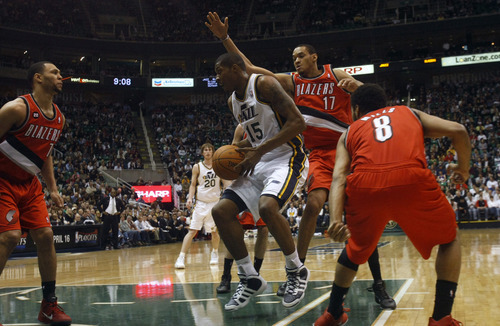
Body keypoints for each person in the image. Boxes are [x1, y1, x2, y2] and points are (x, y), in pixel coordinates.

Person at [205, 12, 395, 310]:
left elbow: (368, 98)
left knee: (360, 219)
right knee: (312, 206)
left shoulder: (335, 75)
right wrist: (224, 38)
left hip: (346, 149)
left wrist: (356, 88)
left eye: (301, 56)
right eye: (293, 57)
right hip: (318, 154)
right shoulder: (290, 82)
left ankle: (379, 284)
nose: (296, 60)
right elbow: (250, 68)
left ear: (314, 57)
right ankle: (296, 269)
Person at [314, 84, 469, 326]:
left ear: (355, 110)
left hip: (365, 186)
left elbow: (339, 176)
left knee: (354, 250)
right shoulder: (409, 112)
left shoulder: (349, 131)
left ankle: (332, 314)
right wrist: (463, 169)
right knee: (449, 240)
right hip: (411, 179)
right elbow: (459, 130)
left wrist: (335, 219)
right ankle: (441, 318)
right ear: (385, 105)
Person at [211, 52, 309, 311]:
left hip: (287, 158)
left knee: (267, 207)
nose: (217, 77)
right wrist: (236, 152)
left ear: (235, 68)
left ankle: (296, 271)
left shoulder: (264, 84)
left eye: (219, 72)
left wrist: (259, 150)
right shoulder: (232, 101)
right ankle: (249, 276)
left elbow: (298, 123)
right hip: (259, 161)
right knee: (220, 211)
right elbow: (256, 138)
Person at [0, 61, 71, 325]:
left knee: (46, 235)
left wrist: (52, 188)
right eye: (55, 73)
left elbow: (46, 153)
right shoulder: (16, 109)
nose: (60, 76)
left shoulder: (59, 118)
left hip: (29, 184)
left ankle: (48, 306)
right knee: (9, 236)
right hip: (3, 180)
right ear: (38, 78)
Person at [216, 124, 269, 294]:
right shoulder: (241, 128)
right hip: (246, 182)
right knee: (236, 231)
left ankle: (255, 273)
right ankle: (226, 276)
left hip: (264, 180)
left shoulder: (268, 122)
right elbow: (231, 155)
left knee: (264, 229)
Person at [174, 143, 226, 269]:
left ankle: (214, 253)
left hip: (215, 203)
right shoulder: (197, 167)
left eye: (210, 150)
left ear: (213, 152)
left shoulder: (218, 165)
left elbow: (225, 183)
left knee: (214, 232)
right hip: (201, 203)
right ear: (202, 153)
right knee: (192, 231)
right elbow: (192, 185)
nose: (208, 152)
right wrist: (190, 198)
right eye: (205, 150)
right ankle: (181, 257)